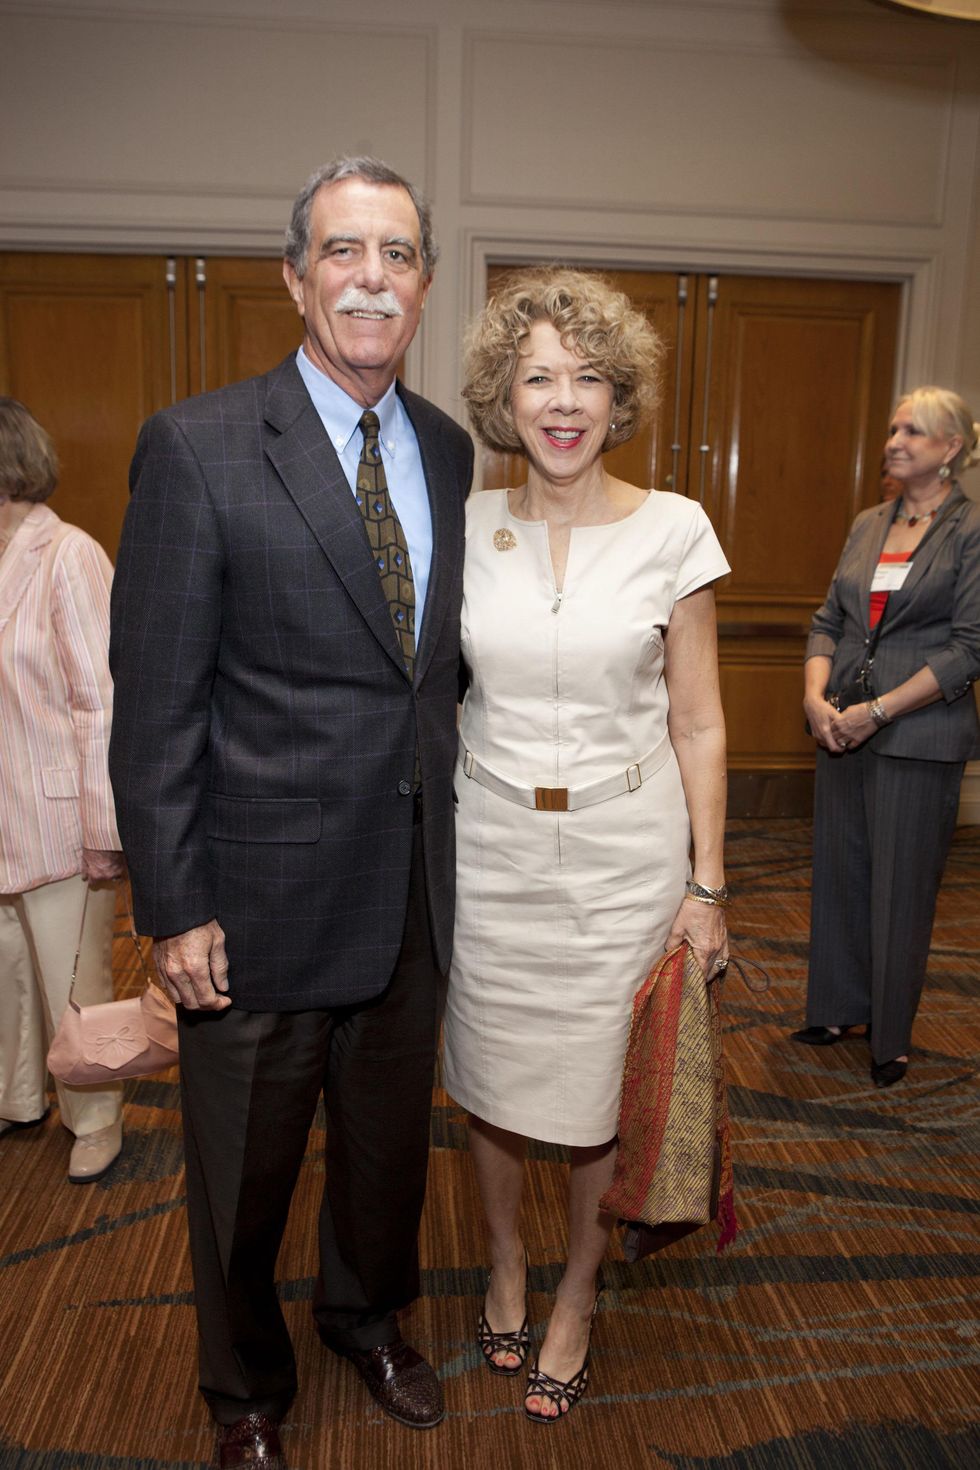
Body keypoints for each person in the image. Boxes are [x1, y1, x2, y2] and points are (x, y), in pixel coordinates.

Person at [108, 158, 473, 1468]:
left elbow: (431, 668)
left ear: (424, 282)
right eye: (343, 251)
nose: (371, 276)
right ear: (294, 275)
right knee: (242, 1179)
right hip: (252, 905)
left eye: (397, 254)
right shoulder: (198, 445)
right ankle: (245, 1385)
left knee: (387, 1157)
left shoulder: (445, 445)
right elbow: (152, 701)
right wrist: (175, 901)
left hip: (410, 889)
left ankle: (366, 1314)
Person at [442, 268, 731, 1423]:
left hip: (624, 854)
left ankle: (574, 1288)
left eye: (589, 380)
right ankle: (505, 1259)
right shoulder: (460, 527)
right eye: (538, 378)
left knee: (601, 1090)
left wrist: (707, 884)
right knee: (494, 1082)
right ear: (502, 399)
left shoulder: (675, 530)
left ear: (621, 400)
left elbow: (698, 719)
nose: (563, 402)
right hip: (490, 853)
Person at [795, 387, 980, 1087]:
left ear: (951, 448)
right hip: (842, 726)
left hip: (918, 734)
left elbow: (969, 648)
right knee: (841, 872)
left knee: (901, 888)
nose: (894, 440)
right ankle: (837, 1006)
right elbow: (828, 620)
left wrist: (882, 711)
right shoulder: (869, 521)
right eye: (894, 426)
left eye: (914, 430)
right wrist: (816, 699)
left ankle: (890, 1037)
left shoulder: (969, 531)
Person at [0, 397, 124, 1183]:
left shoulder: (67, 554)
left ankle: (97, 1116)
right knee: (8, 968)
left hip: (56, 809)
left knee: (75, 977)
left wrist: (105, 826)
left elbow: (101, 699)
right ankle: (18, 1097)